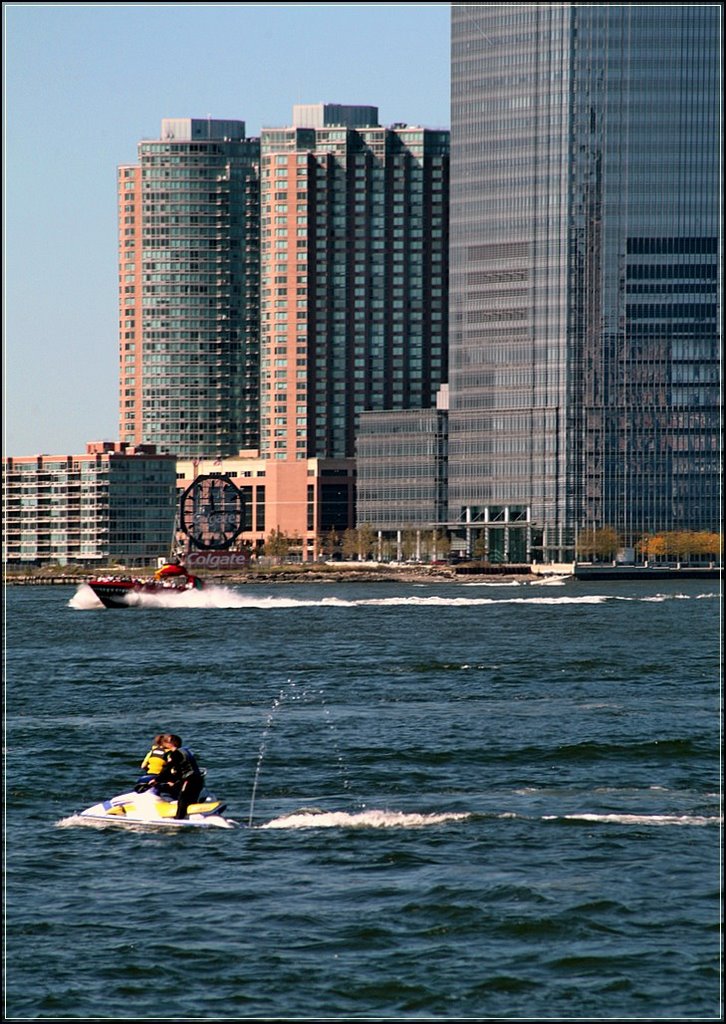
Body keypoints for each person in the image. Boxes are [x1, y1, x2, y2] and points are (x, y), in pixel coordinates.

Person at [154, 734, 204, 819]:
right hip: (198, 779)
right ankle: (193, 817)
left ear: (170, 743)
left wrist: (156, 780)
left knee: (182, 799)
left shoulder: (175, 754)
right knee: (192, 800)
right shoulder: (186, 751)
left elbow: (167, 769)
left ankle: (179, 819)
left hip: (189, 780)